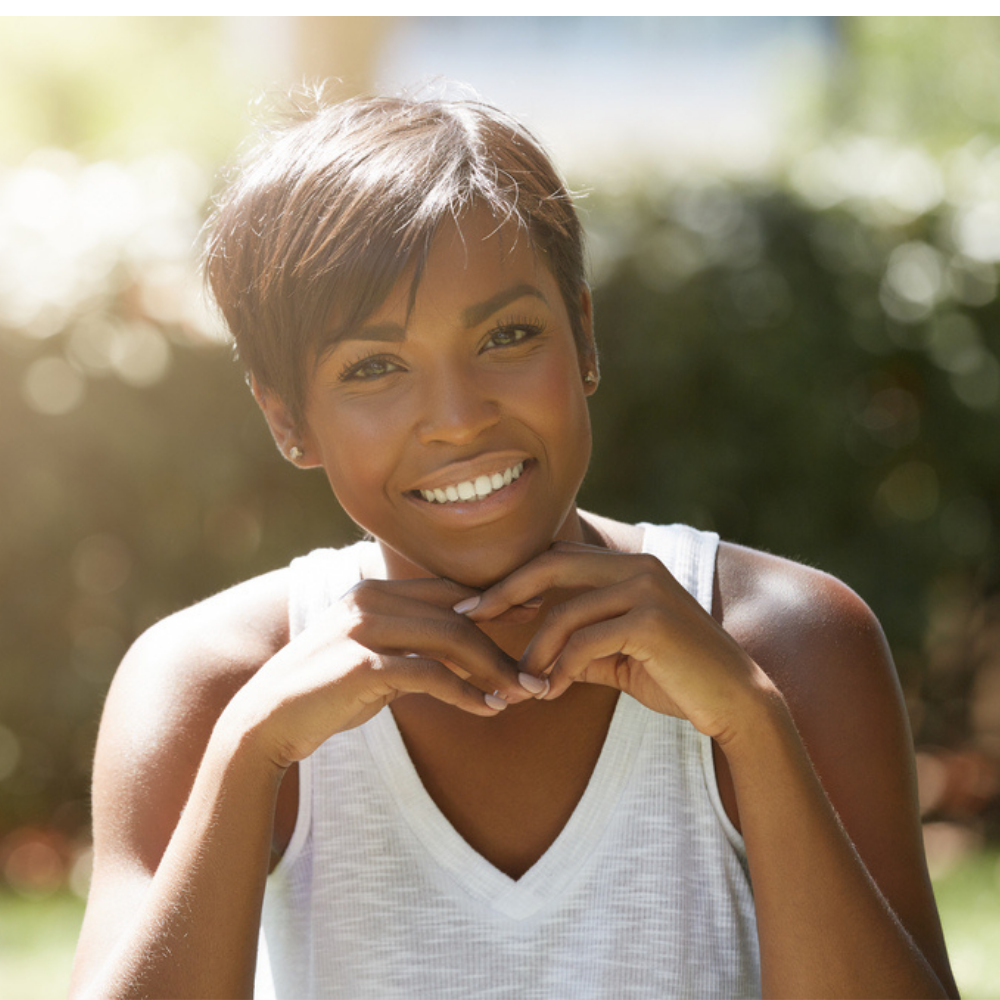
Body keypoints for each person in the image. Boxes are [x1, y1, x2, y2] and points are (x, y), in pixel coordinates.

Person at [70, 89, 958, 1000]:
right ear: (288, 419)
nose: (457, 420)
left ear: (583, 336)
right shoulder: (212, 681)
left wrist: (751, 726)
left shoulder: (789, 645)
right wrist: (246, 753)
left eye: (507, 335)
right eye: (373, 367)